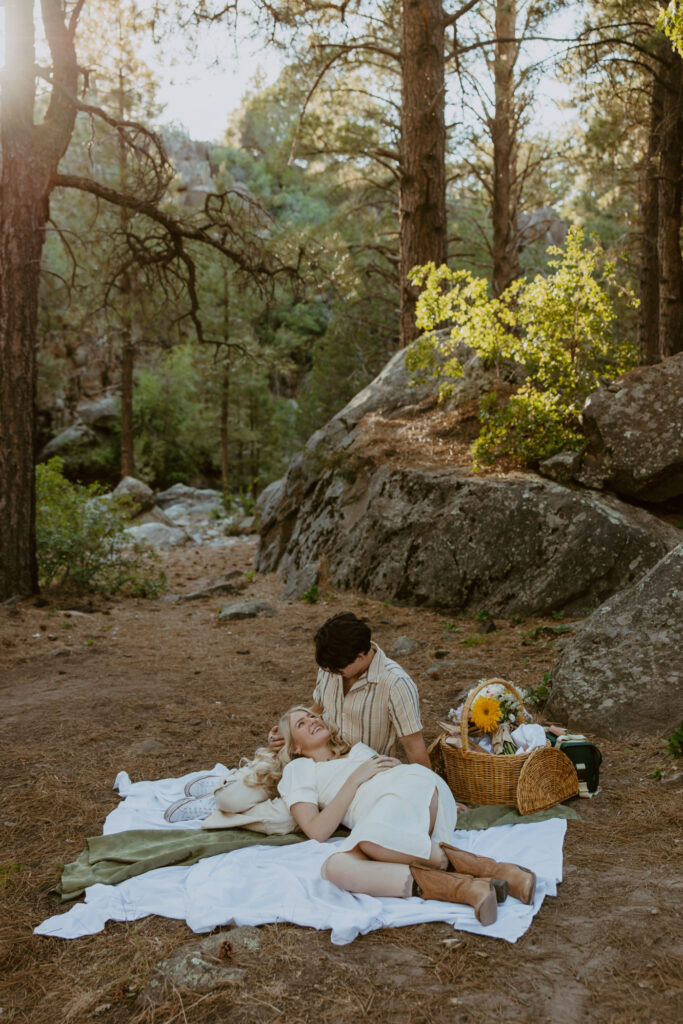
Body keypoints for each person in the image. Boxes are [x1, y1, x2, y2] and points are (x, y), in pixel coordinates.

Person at [275, 707, 537, 926]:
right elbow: (317, 831)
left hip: (409, 791)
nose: (312, 720)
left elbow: (399, 775)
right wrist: (355, 779)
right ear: (295, 746)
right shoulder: (300, 768)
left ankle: (493, 871)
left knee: (369, 841)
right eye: (301, 723)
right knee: (336, 868)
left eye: (312, 716)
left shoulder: (358, 752)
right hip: (384, 823)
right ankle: (471, 888)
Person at [269, 612, 432, 768]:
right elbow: (316, 710)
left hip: (369, 774)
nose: (332, 673)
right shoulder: (331, 667)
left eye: (338, 670)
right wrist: (284, 738)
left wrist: (429, 785)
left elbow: (413, 746)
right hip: (324, 765)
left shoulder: (395, 684)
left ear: (360, 656)